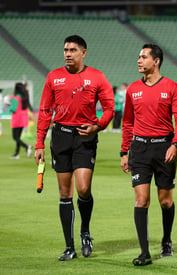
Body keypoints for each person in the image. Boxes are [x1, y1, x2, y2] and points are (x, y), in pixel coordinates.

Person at [34, 35, 115, 261]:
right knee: (64, 193)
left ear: (83, 52)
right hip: (60, 136)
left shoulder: (96, 77)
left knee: (83, 189)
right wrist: (39, 143)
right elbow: (44, 111)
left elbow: (109, 108)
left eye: (72, 50)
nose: (67, 54)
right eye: (65, 50)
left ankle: (85, 231)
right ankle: (69, 246)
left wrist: (97, 126)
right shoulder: (53, 77)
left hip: (84, 137)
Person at [120, 44, 177, 266]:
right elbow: (128, 121)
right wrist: (124, 151)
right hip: (139, 149)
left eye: (144, 57)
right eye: (138, 56)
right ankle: (144, 252)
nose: (139, 60)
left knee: (165, 201)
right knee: (141, 200)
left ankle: (167, 240)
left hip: (164, 148)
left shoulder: (172, 87)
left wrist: (175, 145)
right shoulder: (132, 90)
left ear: (156, 61)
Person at [8, 82, 31, 159]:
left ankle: (27, 147)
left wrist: (8, 105)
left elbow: (12, 109)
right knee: (18, 137)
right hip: (23, 119)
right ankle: (17, 153)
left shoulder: (16, 98)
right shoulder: (24, 97)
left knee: (15, 137)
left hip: (17, 119)